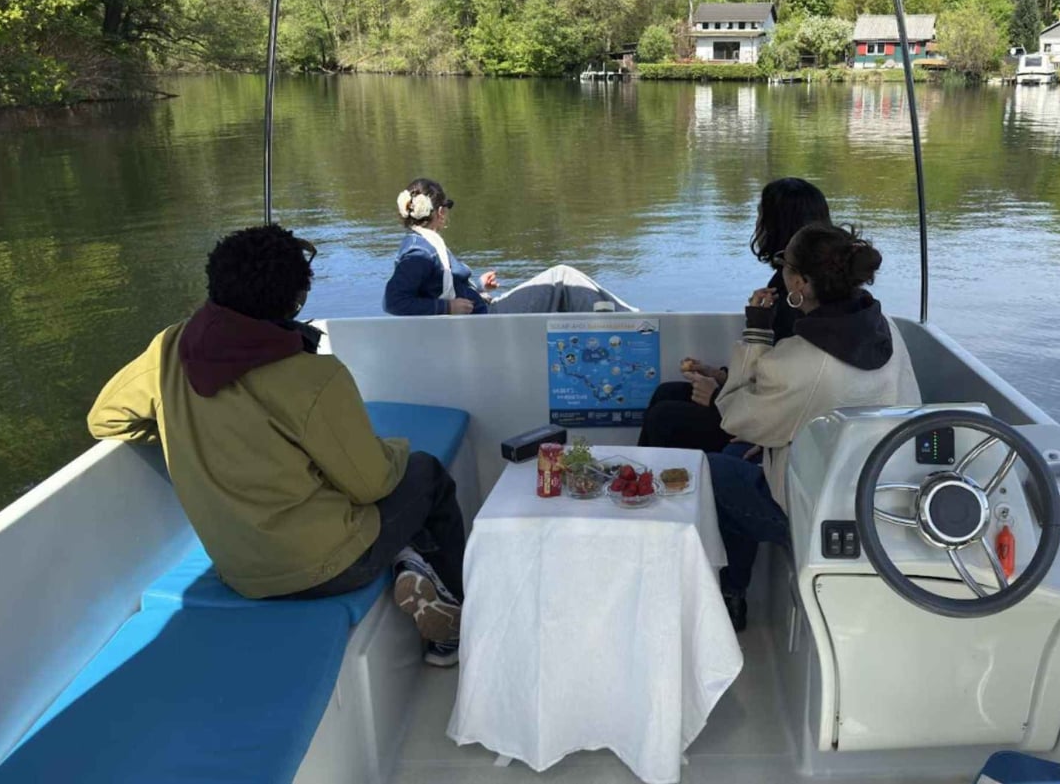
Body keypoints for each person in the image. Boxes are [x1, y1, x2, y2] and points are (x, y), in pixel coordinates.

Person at [88, 225, 465, 667]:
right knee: (425, 475)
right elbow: (373, 484)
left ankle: (408, 560)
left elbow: (105, 418)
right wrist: (394, 448)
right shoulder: (313, 377)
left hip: (241, 572)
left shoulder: (169, 348)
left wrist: (183, 428)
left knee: (338, 487)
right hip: (326, 566)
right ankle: (453, 628)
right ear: (295, 300)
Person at [708, 223, 921, 630]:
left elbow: (734, 415)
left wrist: (756, 331)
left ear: (800, 283)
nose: (781, 270)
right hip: (880, 495)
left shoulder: (800, 359)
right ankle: (733, 590)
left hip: (822, 520)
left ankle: (730, 595)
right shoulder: (885, 328)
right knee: (739, 455)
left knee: (714, 470)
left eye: (784, 264)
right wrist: (773, 445)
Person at [637, 177, 831, 452]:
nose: (757, 225)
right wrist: (719, 375)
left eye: (761, 216)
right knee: (666, 393)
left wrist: (718, 395)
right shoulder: (805, 285)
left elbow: (788, 386)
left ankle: (658, 489)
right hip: (770, 405)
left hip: (777, 422)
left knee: (664, 419)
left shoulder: (795, 297)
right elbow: (771, 370)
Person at [383, 178, 634, 316]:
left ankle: (623, 317)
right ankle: (627, 321)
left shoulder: (423, 243)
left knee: (562, 278)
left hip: (486, 309)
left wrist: (478, 285)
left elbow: (439, 284)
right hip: (489, 319)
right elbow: (393, 302)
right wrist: (446, 308)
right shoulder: (420, 253)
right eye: (445, 210)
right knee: (561, 277)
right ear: (440, 212)